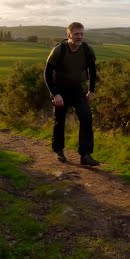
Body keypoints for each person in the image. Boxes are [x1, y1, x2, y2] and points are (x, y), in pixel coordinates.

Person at [44, 22, 99, 166]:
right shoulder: (59, 50)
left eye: (81, 34)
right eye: (76, 34)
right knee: (60, 120)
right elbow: (47, 74)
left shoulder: (87, 50)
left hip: (77, 89)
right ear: (69, 35)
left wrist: (91, 91)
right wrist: (55, 94)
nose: (79, 37)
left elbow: (93, 72)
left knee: (86, 116)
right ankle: (59, 150)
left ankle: (85, 155)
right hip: (60, 89)